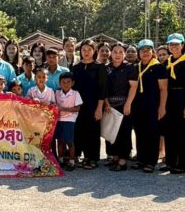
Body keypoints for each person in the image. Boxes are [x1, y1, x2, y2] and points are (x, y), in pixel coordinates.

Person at [131, 40, 168, 173]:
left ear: (153, 52)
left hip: (153, 105)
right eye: (142, 50)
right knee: (140, 132)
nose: (145, 53)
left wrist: (162, 106)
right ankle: (141, 159)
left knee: (152, 133)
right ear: (139, 53)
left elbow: (163, 89)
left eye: (148, 50)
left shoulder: (158, 67)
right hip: (138, 105)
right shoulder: (136, 67)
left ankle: (151, 161)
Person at [161, 33, 185, 174]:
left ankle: (182, 164)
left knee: (181, 132)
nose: (174, 46)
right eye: (171, 44)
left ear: (182, 45)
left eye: (177, 44)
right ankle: (170, 162)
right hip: (168, 98)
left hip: (181, 98)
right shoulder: (167, 63)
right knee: (169, 131)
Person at [71, 40, 107, 169]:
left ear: (94, 51)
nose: (86, 52)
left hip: (94, 104)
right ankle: (81, 156)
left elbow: (102, 89)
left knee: (93, 131)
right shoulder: (76, 67)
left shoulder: (99, 67)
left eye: (89, 50)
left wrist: (99, 108)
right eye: (84, 50)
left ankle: (92, 158)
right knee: (79, 130)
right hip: (78, 105)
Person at [103, 43, 138, 172]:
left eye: (120, 52)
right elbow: (103, 88)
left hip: (124, 104)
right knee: (111, 131)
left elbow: (133, 87)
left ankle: (123, 160)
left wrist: (128, 104)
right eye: (115, 52)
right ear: (111, 53)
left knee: (124, 132)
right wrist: (106, 103)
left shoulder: (130, 68)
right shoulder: (106, 68)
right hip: (109, 105)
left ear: (124, 54)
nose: (117, 55)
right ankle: (115, 157)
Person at [54, 72, 82, 170]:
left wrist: (63, 109)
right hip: (58, 119)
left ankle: (72, 162)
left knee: (69, 141)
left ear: (72, 83)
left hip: (70, 120)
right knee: (60, 141)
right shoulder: (56, 93)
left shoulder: (75, 93)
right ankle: (61, 160)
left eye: (68, 82)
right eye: (63, 82)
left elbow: (77, 108)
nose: (66, 84)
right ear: (59, 83)